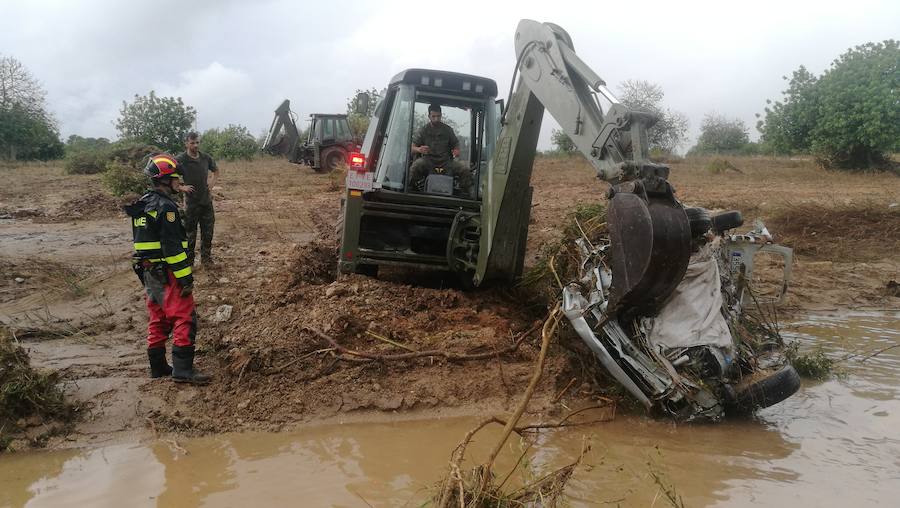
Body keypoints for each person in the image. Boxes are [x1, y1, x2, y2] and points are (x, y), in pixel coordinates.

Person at [124, 153, 211, 384]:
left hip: (148, 272)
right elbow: (173, 249)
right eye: (175, 179)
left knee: (158, 316)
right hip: (168, 272)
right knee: (184, 316)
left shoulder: (143, 204)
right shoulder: (166, 208)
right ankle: (183, 370)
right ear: (165, 180)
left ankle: (158, 366)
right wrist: (186, 279)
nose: (178, 183)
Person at [409, 104, 473, 196]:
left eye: (438, 116)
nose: (436, 119)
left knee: (464, 169)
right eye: (433, 116)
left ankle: (466, 194)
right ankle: (411, 192)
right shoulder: (423, 130)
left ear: (441, 115)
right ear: (429, 116)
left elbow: (455, 143)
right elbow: (412, 147)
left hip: (446, 162)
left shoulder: (448, 130)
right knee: (415, 167)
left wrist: (456, 150)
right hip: (428, 161)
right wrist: (419, 149)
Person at [176, 132, 219, 266]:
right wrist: (181, 187)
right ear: (186, 143)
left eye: (197, 142)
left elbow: (216, 171)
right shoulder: (180, 159)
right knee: (190, 234)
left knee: (208, 231)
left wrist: (211, 184)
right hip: (191, 203)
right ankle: (189, 262)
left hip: (206, 202)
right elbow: (170, 176)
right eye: (192, 143)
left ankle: (206, 259)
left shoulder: (205, 158)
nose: (195, 145)